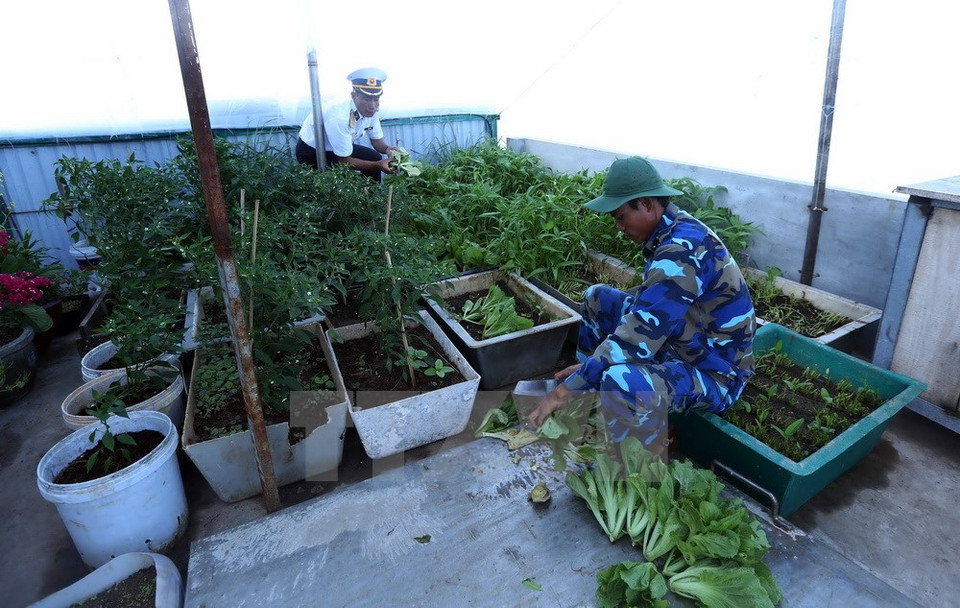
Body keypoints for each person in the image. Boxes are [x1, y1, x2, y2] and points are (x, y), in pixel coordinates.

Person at [528, 156, 756, 455]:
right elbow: (645, 317)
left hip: (714, 372)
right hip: (684, 343)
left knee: (620, 380)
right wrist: (590, 368)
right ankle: (591, 398)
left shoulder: (680, 252)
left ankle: (633, 463)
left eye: (621, 217)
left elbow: (637, 338)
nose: (618, 227)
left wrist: (562, 391)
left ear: (647, 204)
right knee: (598, 298)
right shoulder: (671, 230)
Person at [295, 67, 399, 182]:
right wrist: (378, 165)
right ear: (354, 95)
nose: (372, 106)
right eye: (367, 99)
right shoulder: (339, 116)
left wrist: (389, 149)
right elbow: (343, 160)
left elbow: (377, 141)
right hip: (313, 152)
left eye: (376, 99)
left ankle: (370, 196)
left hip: (337, 148)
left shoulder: (371, 110)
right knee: (342, 181)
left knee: (374, 157)